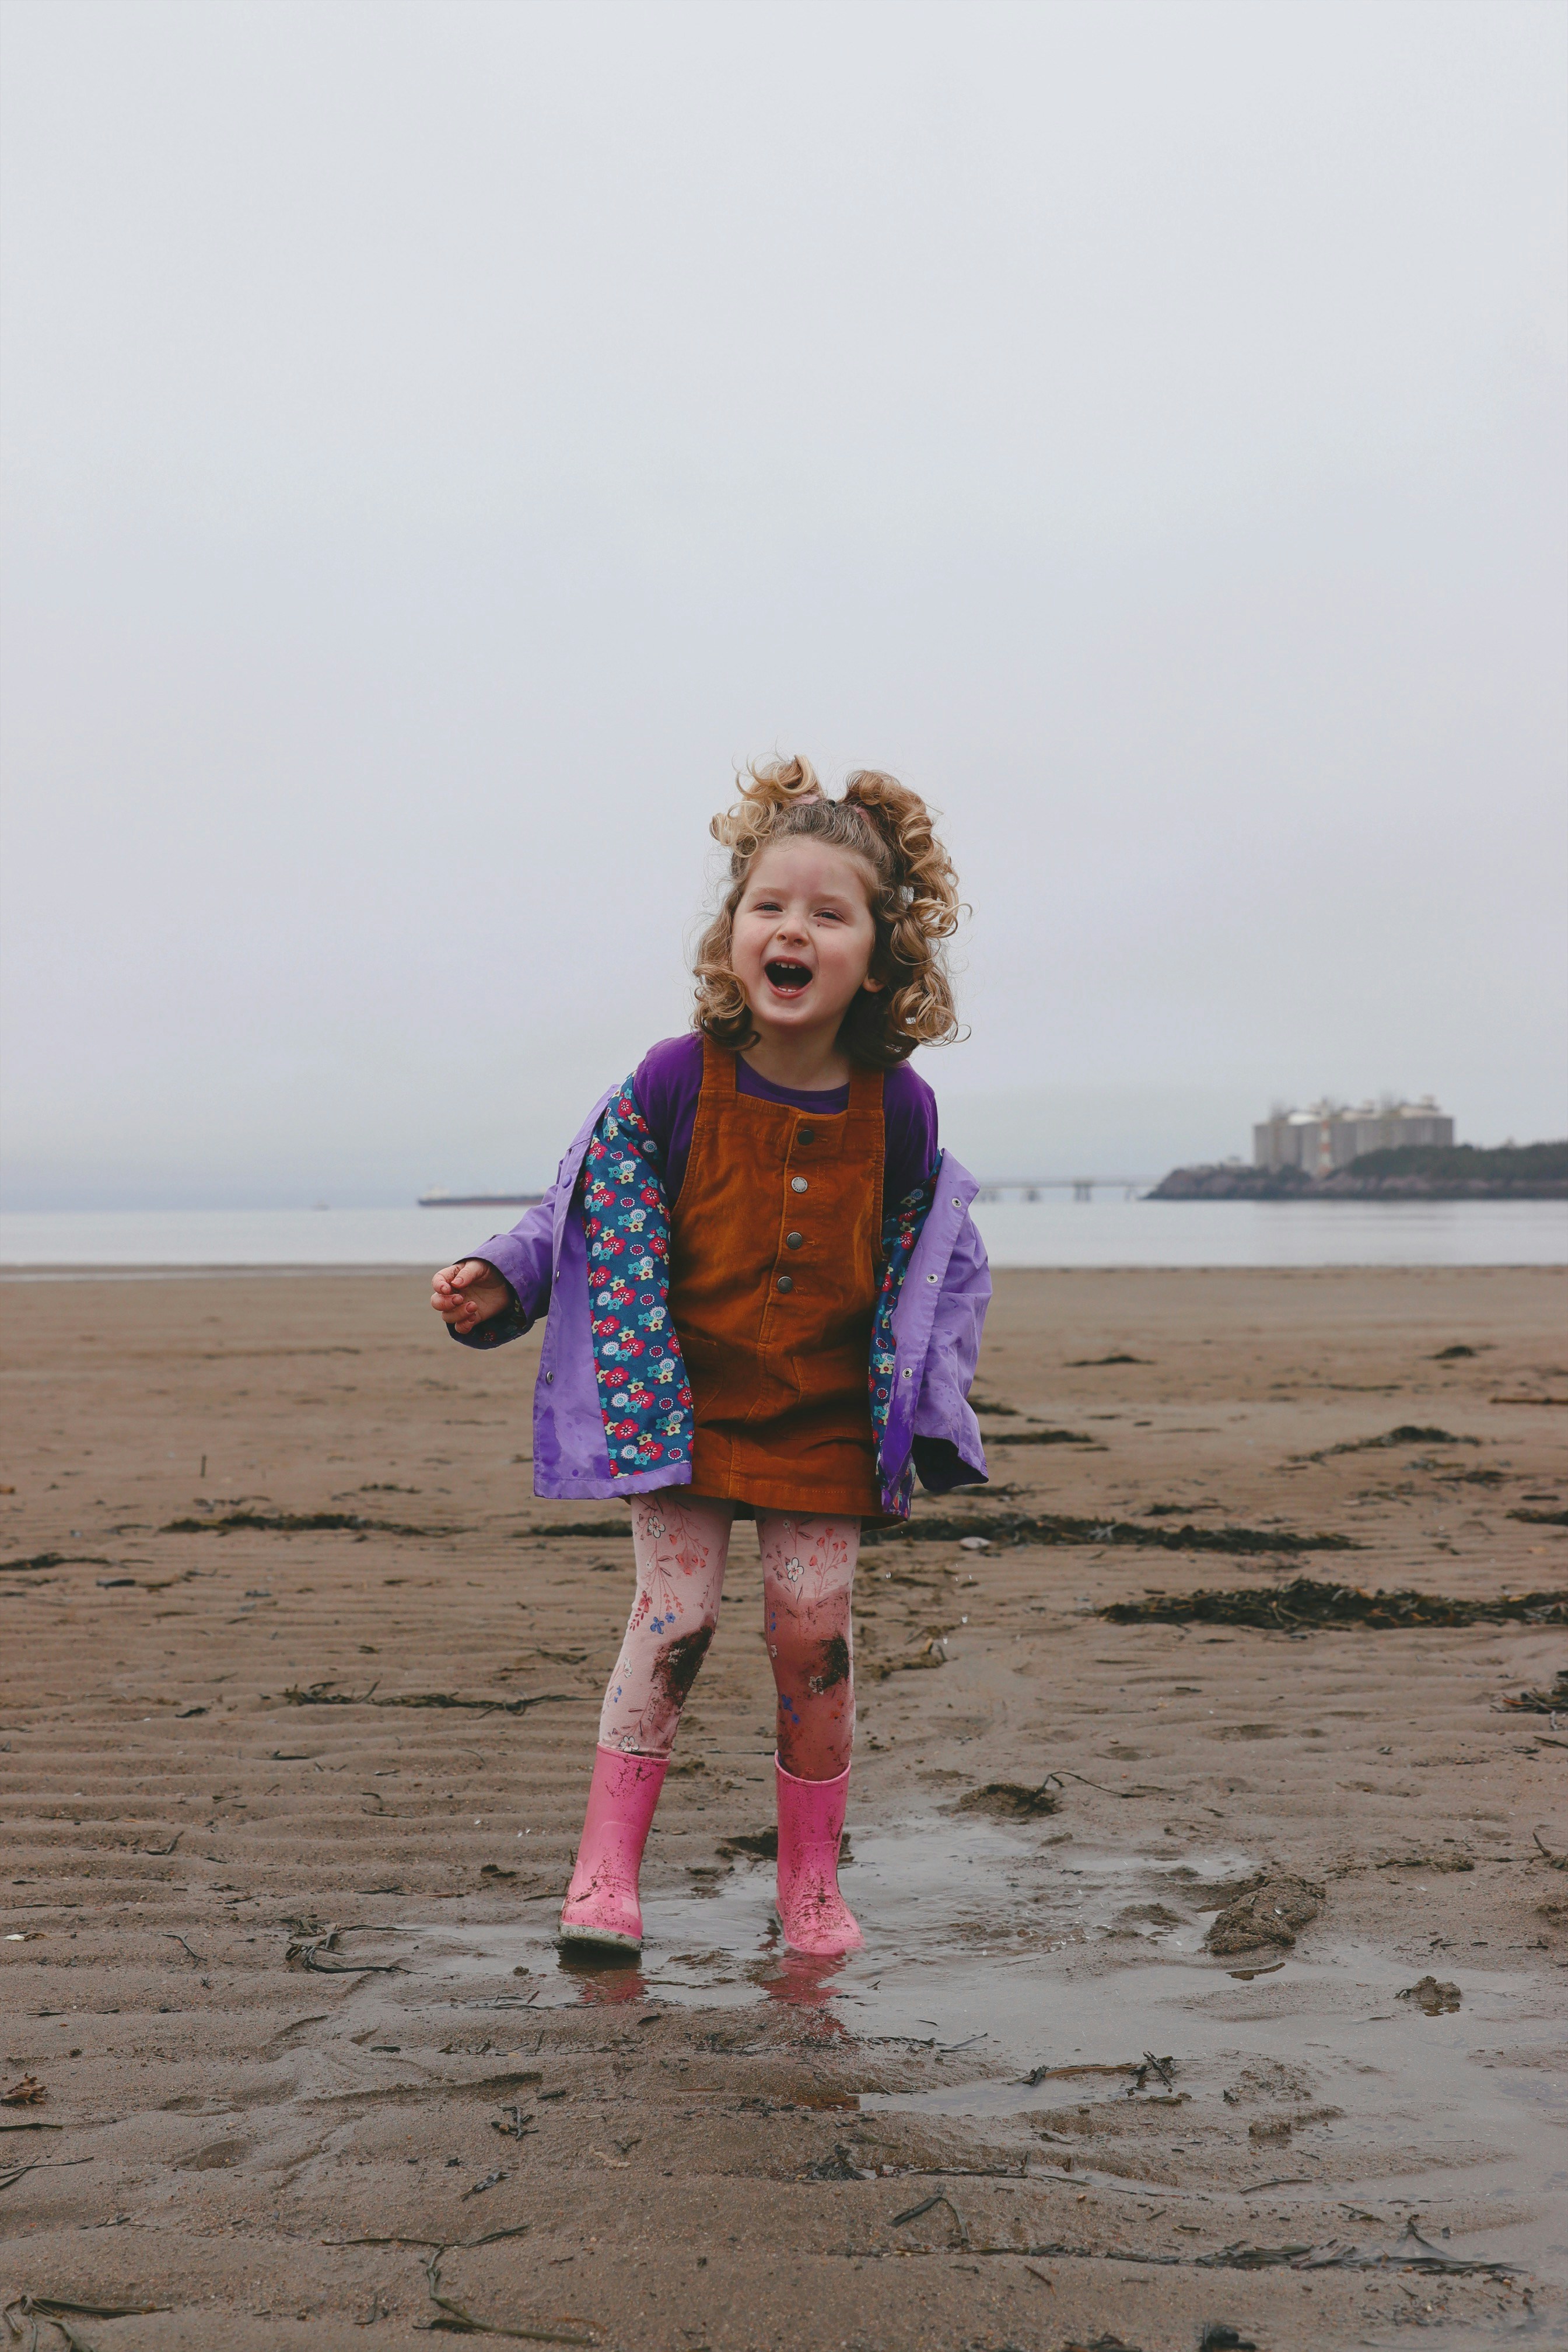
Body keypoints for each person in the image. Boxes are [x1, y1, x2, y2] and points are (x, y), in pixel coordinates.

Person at [430, 758, 990, 1957]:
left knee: (812, 1635)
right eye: (767, 906)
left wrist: (933, 1406)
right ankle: (603, 1876)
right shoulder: (675, 1080)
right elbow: (575, 1203)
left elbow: (931, 1265)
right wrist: (504, 1274)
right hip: (677, 1408)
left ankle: (811, 1889)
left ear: (881, 956)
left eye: (828, 913)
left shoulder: (903, 1111)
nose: (791, 929)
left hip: (829, 1415)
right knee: (676, 1622)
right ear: (731, 933)